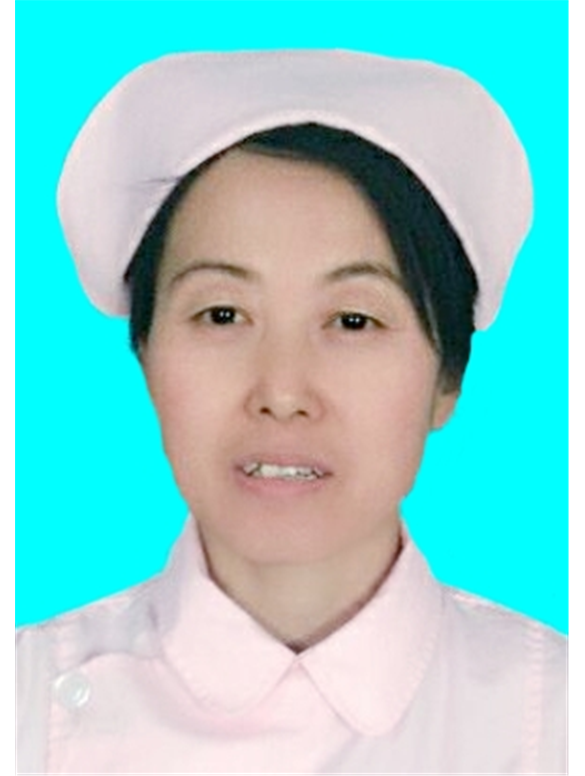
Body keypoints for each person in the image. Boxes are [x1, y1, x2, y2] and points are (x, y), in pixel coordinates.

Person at [16, 49, 567, 774]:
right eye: (222, 314)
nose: (281, 391)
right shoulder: (23, 702)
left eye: (352, 321)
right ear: (145, 356)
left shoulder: (556, 714)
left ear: (447, 378)